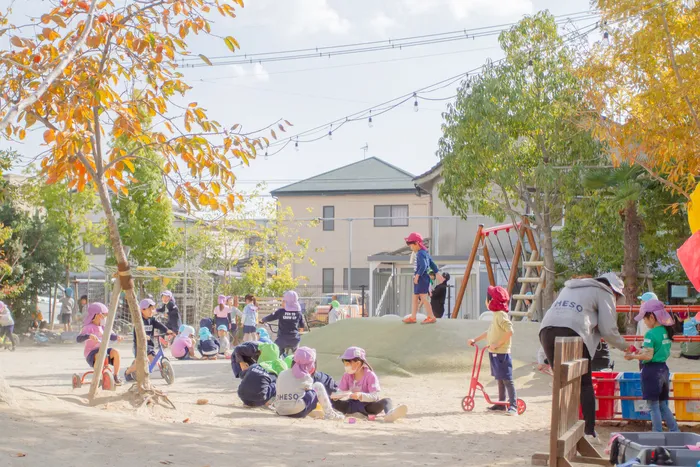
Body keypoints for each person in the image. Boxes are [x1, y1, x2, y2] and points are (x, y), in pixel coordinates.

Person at [539, 272, 631, 444]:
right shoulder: (605, 292)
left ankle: (562, 430)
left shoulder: (570, 287)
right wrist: (628, 347)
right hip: (574, 331)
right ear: (615, 290)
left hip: (546, 332)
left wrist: (542, 355)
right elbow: (608, 330)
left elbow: (556, 318)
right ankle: (589, 431)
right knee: (585, 383)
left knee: (562, 383)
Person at [624, 299, 679, 433]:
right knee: (663, 405)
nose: (644, 322)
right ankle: (674, 430)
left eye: (644, 318)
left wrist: (632, 356)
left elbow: (648, 356)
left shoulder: (650, 333)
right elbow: (654, 351)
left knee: (652, 405)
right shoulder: (665, 331)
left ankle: (657, 432)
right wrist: (640, 352)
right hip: (663, 370)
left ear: (652, 317)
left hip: (651, 371)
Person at [468, 286, 519, 416]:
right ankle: (501, 403)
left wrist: (497, 344)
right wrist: (475, 339)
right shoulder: (496, 315)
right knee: (500, 378)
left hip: (502, 353)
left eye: (487, 298)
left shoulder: (501, 315)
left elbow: (510, 331)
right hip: (495, 353)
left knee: (507, 379)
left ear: (492, 301)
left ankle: (513, 405)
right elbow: (489, 332)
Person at [331, 346, 408, 422]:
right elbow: (341, 390)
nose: (345, 366)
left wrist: (360, 395)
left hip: (367, 407)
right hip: (351, 406)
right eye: (344, 362)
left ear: (357, 363)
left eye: (347, 363)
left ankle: (390, 414)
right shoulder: (347, 375)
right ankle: (329, 411)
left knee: (386, 401)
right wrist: (336, 396)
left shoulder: (370, 376)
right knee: (330, 400)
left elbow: (374, 397)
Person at [274, 346, 344, 420]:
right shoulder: (306, 377)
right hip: (297, 412)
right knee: (318, 386)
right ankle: (330, 414)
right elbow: (311, 394)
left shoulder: (282, 373)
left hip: (280, 410)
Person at [125, 298, 173, 381]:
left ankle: (163, 372)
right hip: (139, 346)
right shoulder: (139, 321)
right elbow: (137, 331)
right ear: (142, 310)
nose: (152, 311)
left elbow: (159, 325)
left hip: (149, 345)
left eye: (153, 309)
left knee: (153, 359)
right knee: (141, 363)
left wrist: (167, 330)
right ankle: (127, 372)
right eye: (149, 309)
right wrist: (143, 336)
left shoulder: (152, 319)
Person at [76, 302, 123, 385]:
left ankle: (115, 375)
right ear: (96, 315)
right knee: (101, 354)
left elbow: (111, 335)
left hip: (103, 349)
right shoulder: (88, 327)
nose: (105, 318)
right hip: (92, 353)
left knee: (116, 352)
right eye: (103, 315)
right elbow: (78, 339)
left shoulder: (103, 327)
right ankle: (102, 374)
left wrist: (117, 337)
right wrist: (88, 336)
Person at [402, 232, 438, 325]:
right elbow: (431, 263)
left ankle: (431, 316)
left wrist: (417, 276)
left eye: (411, 245)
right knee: (415, 298)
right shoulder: (423, 253)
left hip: (421, 278)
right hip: (421, 278)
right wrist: (437, 272)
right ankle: (413, 317)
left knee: (423, 298)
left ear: (417, 243)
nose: (411, 247)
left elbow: (424, 266)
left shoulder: (420, 254)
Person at [237, 342, 287, 408]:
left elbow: (241, 375)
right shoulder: (277, 366)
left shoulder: (255, 365)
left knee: (251, 378)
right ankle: (267, 403)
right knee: (277, 383)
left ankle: (248, 402)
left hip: (242, 396)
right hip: (259, 399)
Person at [262, 290, 305, 356]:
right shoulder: (298, 313)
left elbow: (270, 317)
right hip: (294, 339)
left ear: (287, 302)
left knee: (275, 352)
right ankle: (295, 361)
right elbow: (302, 325)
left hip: (282, 339)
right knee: (296, 354)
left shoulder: (281, 311)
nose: (282, 303)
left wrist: (263, 320)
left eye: (283, 301)